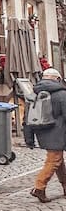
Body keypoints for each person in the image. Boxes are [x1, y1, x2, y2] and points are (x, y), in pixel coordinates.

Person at [30, 67, 66, 203]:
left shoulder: (34, 92)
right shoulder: (62, 94)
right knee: (54, 161)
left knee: (58, 160)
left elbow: (28, 117)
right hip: (58, 132)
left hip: (42, 131)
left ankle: (65, 185)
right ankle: (39, 187)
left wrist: (29, 138)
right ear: (57, 79)